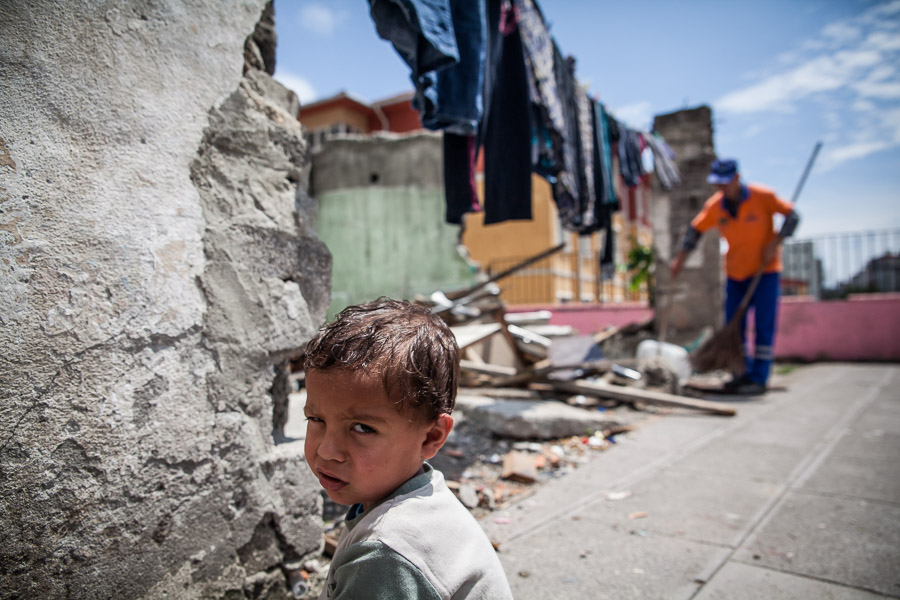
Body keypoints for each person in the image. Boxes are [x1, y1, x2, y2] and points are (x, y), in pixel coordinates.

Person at [303, 298, 514, 600]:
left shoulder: (385, 554)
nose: (327, 450)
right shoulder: (420, 495)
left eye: (363, 428)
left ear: (431, 437)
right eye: (315, 419)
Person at [670, 158, 799, 395]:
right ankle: (740, 374)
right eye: (717, 184)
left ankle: (759, 378)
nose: (721, 188)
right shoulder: (715, 206)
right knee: (734, 327)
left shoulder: (763, 196)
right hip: (736, 274)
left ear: (737, 178)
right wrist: (680, 260)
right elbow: (694, 231)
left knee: (763, 325)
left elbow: (792, 216)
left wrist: (777, 241)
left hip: (765, 273)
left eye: (725, 183)